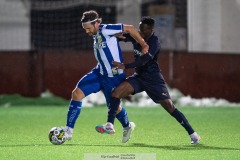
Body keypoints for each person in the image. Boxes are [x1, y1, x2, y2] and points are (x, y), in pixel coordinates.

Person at [96, 16, 201, 144]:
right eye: (140, 29)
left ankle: (193, 134)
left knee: (170, 107)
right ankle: (109, 124)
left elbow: (143, 60)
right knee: (116, 93)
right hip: (139, 78)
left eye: (144, 30)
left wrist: (126, 66)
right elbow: (122, 37)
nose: (141, 32)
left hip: (153, 79)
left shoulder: (154, 42)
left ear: (151, 30)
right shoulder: (138, 37)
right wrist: (112, 34)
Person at [63, 10, 149, 142]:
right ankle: (68, 131)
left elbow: (130, 28)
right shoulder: (96, 33)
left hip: (113, 77)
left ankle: (127, 126)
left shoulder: (106, 29)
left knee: (116, 108)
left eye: (88, 28)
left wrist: (143, 44)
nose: (87, 31)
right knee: (77, 93)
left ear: (97, 23)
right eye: (85, 29)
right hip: (99, 73)